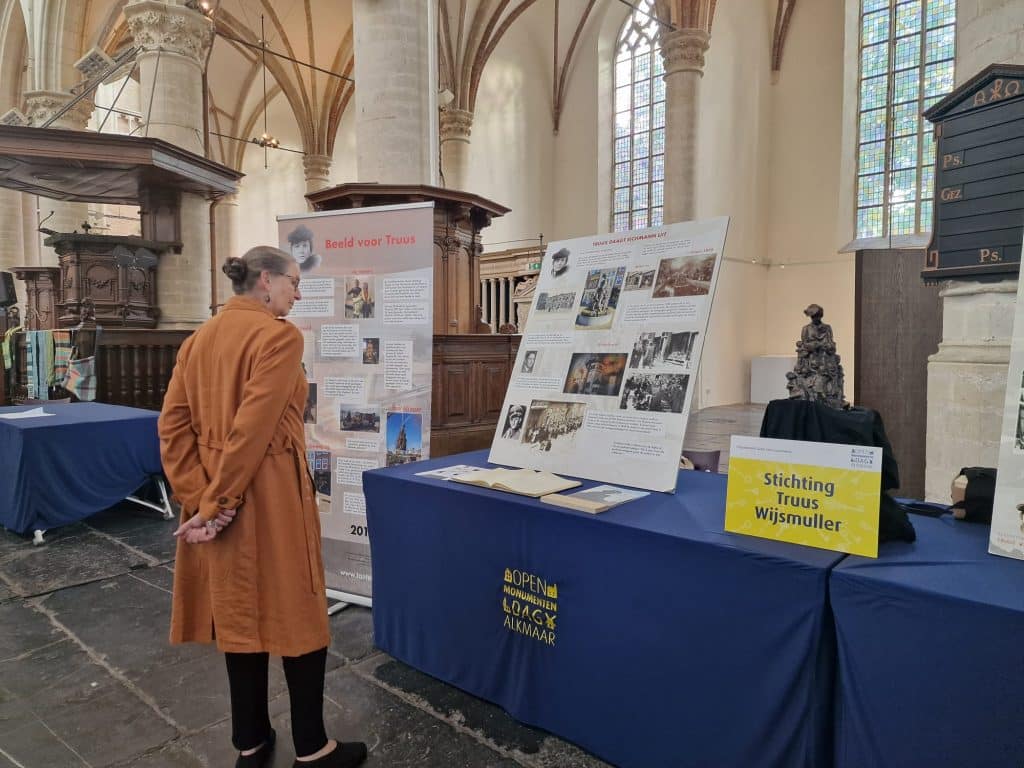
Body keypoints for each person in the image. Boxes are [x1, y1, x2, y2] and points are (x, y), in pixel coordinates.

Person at [158, 246, 367, 768]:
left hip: (214, 497)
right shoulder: (278, 336)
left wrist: (197, 500)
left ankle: (250, 746)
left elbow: (173, 428)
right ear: (266, 280)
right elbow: (250, 433)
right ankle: (314, 749)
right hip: (267, 495)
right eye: (294, 282)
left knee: (238, 618)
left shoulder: (198, 338)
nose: (299, 293)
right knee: (299, 614)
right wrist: (218, 504)